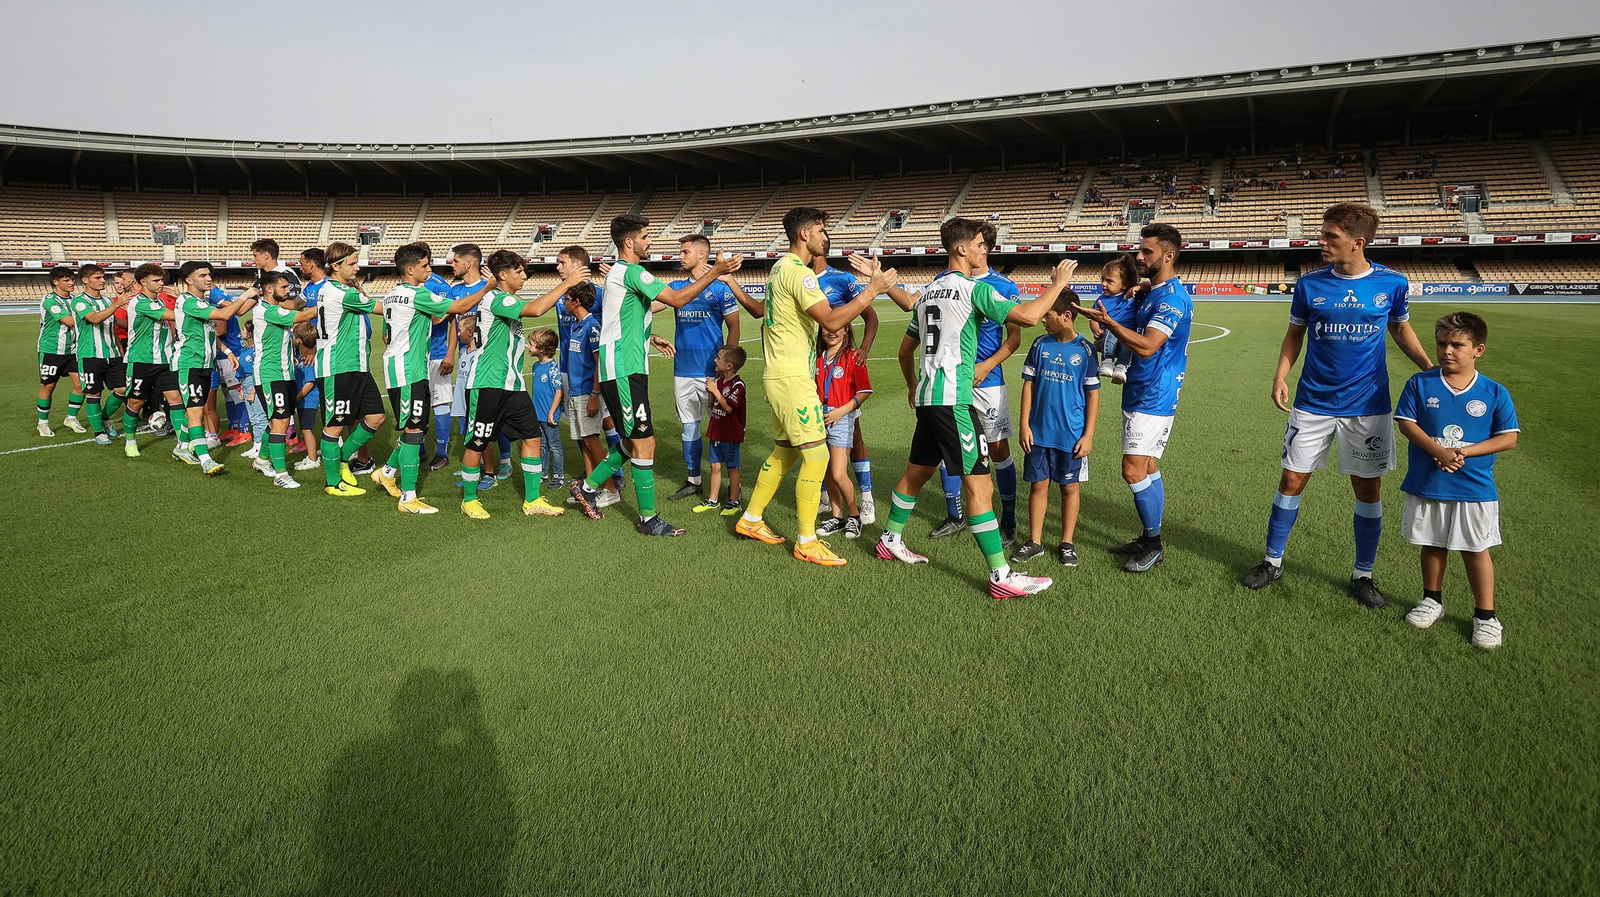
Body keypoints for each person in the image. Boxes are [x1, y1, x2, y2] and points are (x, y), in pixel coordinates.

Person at [1239, 203, 1435, 608]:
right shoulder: (1310, 284)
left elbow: (1401, 330)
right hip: (1312, 402)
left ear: (1357, 243)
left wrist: (1430, 368)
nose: (1321, 242)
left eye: (1331, 236)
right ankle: (1272, 561)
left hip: (1368, 406)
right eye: (1323, 234)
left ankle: (1363, 574)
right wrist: (1280, 375)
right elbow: (1295, 334)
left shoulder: (1392, 283)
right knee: (1291, 480)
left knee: (1367, 488)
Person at [873, 220, 1075, 599]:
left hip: (931, 398)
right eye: (980, 244)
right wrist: (1058, 284)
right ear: (961, 249)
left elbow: (909, 344)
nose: (985, 250)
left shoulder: (930, 291)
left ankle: (889, 539)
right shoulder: (973, 289)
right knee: (979, 487)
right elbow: (1029, 318)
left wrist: (912, 386)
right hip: (955, 402)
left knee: (915, 473)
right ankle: (1001, 576)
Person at [733, 207, 890, 565]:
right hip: (792, 377)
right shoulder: (800, 273)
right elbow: (832, 319)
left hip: (779, 374)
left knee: (785, 452)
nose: (825, 236)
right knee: (817, 455)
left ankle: (752, 518)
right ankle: (806, 540)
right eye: (821, 229)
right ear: (804, 235)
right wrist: (873, 290)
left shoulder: (777, 269)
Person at [567, 213, 741, 536]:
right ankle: (648, 519)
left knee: (634, 443)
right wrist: (716, 270)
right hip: (624, 371)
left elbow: (625, 320)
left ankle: (588, 487)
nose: (650, 242)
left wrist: (652, 337)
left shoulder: (622, 275)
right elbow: (676, 298)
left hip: (624, 368)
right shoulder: (632, 272)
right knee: (645, 444)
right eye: (646, 237)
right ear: (630, 242)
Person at [1394, 312, 1519, 649]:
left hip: (1474, 486)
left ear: (1478, 349)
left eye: (1457, 345)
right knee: (1432, 542)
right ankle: (1432, 600)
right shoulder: (1420, 384)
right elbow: (1407, 424)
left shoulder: (1494, 391)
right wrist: (1438, 451)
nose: (1447, 350)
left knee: (1476, 549)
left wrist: (1465, 451)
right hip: (1429, 480)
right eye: (1442, 343)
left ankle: (1486, 616)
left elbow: (1508, 438)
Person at [1073, 223, 1192, 574]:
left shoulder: (1171, 298)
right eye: (1139, 250)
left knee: (1132, 469)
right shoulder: (1150, 291)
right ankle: (1148, 535)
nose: (1139, 257)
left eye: (1147, 252)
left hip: (1155, 394)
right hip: (1140, 389)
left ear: (1169, 255)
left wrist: (1108, 324)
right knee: (1149, 467)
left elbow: (1148, 344)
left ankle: (1153, 544)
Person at [459, 249, 589, 520]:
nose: (524, 276)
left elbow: (524, 302)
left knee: (532, 436)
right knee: (477, 442)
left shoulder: (503, 296)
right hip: (487, 384)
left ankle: (532, 500)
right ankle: (469, 500)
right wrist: (568, 282)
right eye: (518, 271)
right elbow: (537, 309)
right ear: (503, 275)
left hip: (512, 385)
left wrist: (496, 280)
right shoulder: (495, 298)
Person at [373, 242, 494, 514]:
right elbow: (459, 306)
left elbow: (386, 334)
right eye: (425, 266)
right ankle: (408, 498)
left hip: (402, 368)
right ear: (409, 269)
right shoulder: (417, 294)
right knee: (414, 432)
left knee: (412, 428)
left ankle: (387, 473)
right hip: (408, 370)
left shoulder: (393, 294)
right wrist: (488, 287)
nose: (429, 270)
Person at [1010, 293, 1099, 567]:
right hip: (1038, 433)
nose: (1042, 320)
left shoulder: (1085, 350)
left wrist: (1088, 434)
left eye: (1047, 315)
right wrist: (1024, 424)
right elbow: (1029, 385)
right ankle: (1035, 541)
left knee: (1069, 488)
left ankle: (1067, 542)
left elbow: (1093, 394)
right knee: (1038, 486)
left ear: (1066, 316)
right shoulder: (1040, 345)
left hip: (1070, 436)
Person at [660, 234, 742, 502]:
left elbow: (734, 326)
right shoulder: (675, 288)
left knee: (721, 427)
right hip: (682, 370)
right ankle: (693, 480)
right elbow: (647, 306)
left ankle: (732, 484)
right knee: (689, 428)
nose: (680, 257)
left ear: (701, 255)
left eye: (685, 252)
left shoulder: (720, 289)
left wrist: (726, 370)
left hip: (710, 371)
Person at [811, 235, 879, 523]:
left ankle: (866, 497)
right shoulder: (795, 277)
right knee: (815, 437)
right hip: (812, 364)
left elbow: (871, 317)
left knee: (854, 433)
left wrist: (862, 350)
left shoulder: (840, 279)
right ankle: (827, 497)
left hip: (839, 365)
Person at [315, 241, 386, 497]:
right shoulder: (342, 293)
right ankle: (333, 483)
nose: (357, 268)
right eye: (352, 264)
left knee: (376, 417)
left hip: (357, 366)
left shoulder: (334, 288)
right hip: (338, 366)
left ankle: (342, 460)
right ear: (335, 267)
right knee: (334, 426)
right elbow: (382, 309)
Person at [172, 261, 252, 475]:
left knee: (193, 409)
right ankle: (206, 459)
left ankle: (181, 447)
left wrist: (227, 352)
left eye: (209, 275)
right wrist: (246, 295)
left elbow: (211, 334)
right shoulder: (188, 302)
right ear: (189, 280)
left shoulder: (202, 301)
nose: (208, 279)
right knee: (197, 411)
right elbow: (225, 315)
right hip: (190, 364)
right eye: (202, 275)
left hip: (205, 364)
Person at [555, 245, 623, 495]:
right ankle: (592, 477)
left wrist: (654, 337)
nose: (558, 267)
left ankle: (615, 474)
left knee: (606, 423)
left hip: (593, 372)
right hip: (569, 368)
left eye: (562, 262)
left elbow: (619, 323)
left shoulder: (600, 294)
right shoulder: (564, 296)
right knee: (584, 431)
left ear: (577, 264)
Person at [247, 272, 318, 488]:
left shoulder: (275, 310)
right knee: (280, 423)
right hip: (270, 375)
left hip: (285, 374)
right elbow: (304, 317)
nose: (288, 291)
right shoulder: (266, 310)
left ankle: (261, 460)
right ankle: (281, 475)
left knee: (281, 420)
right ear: (269, 289)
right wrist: (329, 303)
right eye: (284, 287)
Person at [813, 325, 872, 540]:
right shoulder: (818, 358)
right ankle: (837, 518)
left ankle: (854, 516)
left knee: (839, 473)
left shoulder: (853, 357)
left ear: (846, 330)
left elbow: (864, 391)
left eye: (837, 328)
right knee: (827, 472)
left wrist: (841, 411)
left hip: (841, 417)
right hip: (819, 417)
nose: (831, 332)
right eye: (826, 328)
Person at [120, 264, 184, 458]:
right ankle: (130, 441)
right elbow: (174, 316)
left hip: (165, 361)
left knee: (176, 400)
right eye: (156, 280)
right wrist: (186, 301)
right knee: (136, 402)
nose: (161, 283)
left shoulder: (158, 301)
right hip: (142, 361)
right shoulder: (140, 302)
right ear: (142, 282)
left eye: (161, 279)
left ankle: (183, 443)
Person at [559, 282, 614, 506]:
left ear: (577, 302)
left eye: (567, 299)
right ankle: (589, 489)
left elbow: (599, 362)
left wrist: (594, 394)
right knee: (585, 442)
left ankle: (610, 489)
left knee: (593, 442)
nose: (564, 303)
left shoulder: (592, 326)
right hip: (575, 392)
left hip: (586, 393)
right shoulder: (577, 326)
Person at [69, 264, 132, 444]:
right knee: (94, 394)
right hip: (90, 355)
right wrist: (118, 304)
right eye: (98, 277)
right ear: (85, 280)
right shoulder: (79, 301)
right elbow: (95, 318)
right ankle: (98, 432)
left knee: (122, 390)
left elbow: (116, 324)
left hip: (112, 354)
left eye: (103, 277)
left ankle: (104, 418)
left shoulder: (106, 301)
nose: (103, 280)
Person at [695, 345, 748, 515]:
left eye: (718, 358)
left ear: (729, 365)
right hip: (716, 431)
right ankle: (713, 500)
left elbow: (729, 408)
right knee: (714, 466)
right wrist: (711, 391)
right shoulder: (718, 381)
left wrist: (715, 392)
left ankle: (734, 501)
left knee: (731, 467)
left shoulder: (738, 385)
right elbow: (712, 405)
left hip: (730, 434)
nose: (715, 360)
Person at [35, 266, 86, 436]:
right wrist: (92, 316)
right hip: (51, 349)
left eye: (72, 279)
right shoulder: (50, 300)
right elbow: (70, 321)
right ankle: (42, 423)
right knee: (48, 386)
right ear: (56, 282)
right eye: (66, 280)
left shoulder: (75, 299)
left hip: (72, 350)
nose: (71, 282)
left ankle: (71, 418)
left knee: (80, 384)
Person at [1090, 254, 1141, 384]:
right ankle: (1107, 361)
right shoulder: (1101, 300)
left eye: (1109, 281)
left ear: (1124, 284)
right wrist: (1096, 330)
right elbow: (1094, 319)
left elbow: (1151, 285)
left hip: (1127, 333)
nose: (1103, 284)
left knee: (1128, 343)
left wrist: (1140, 287)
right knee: (1110, 330)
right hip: (1108, 335)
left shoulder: (1131, 295)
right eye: (1102, 279)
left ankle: (1121, 368)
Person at [527, 328, 565, 490]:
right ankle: (543, 473)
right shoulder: (536, 366)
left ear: (541, 349)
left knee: (554, 446)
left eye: (531, 344)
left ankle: (558, 476)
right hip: (537, 415)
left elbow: (559, 392)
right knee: (541, 445)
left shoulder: (552, 368)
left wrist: (551, 413)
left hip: (549, 416)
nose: (528, 347)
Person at [292, 324, 322, 472]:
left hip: (308, 399)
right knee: (305, 428)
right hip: (304, 400)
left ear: (299, 340)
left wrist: (296, 398)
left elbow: (309, 383)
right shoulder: (300, 357)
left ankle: (312, 459)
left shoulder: (308, 360)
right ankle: (312, 454)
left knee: (306, 429)